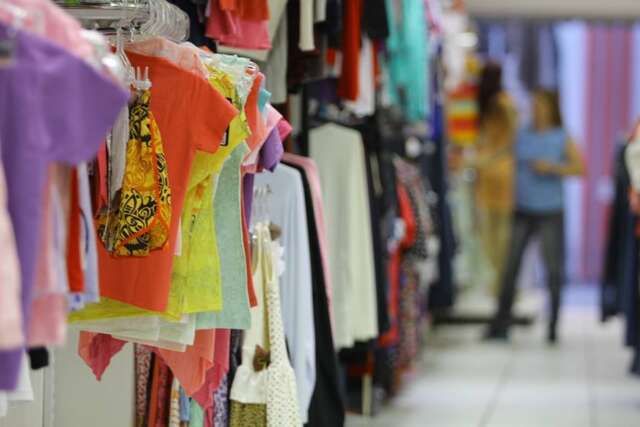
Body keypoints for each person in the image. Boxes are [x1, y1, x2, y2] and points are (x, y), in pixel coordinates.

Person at [486, 88, 585, 344]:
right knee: (511, 267)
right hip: (523, 209)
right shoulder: (522, 134)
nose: (537, 111)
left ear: (552, 109)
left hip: (551, 211)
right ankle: (501, 323)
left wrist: (551, 167)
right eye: (534, 106)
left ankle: (553, 326)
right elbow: (499, 154)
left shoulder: (561, 137)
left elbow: (580, 168)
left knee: (553, 269)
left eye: (541, 106)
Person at [473, 62, 517, 296]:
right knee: (496, 238)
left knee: (498, 238)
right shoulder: (499, 103)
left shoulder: (499, 104)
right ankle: (501, 287)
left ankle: (503, 288)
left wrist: (483, 160)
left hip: (497, 175)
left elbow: (510, 140)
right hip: (495, 175)